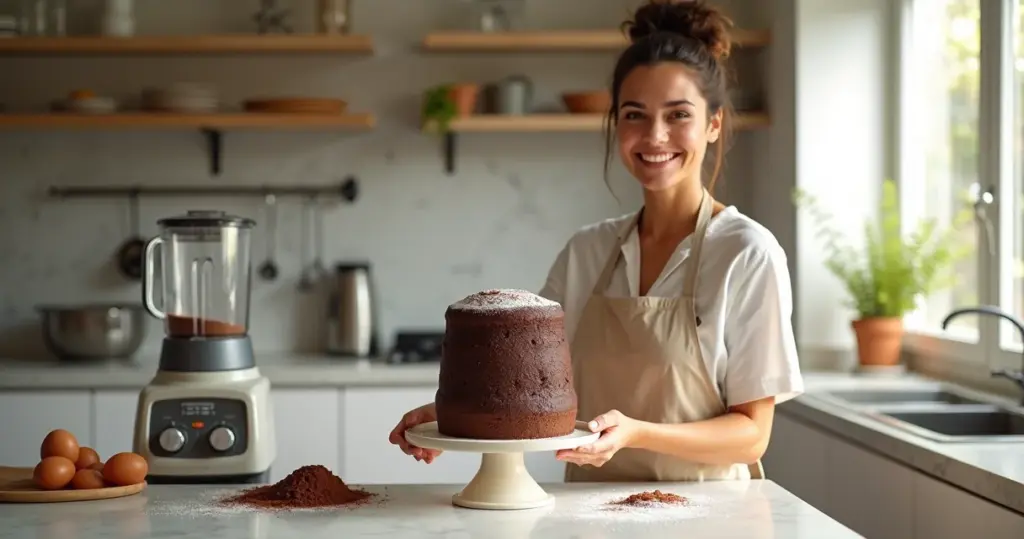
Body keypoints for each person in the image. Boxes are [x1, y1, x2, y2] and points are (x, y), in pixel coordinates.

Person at [389, 0, 803, 482]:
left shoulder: (746, 253)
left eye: (678, 115)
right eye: (634, 114)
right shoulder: (587, 252)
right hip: (587, 512)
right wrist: (447, 420)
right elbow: (525, 384)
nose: (655, 135)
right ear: (616, 123)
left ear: (713, 123)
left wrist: (637, 433)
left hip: (708, 512)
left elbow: (752, 435)